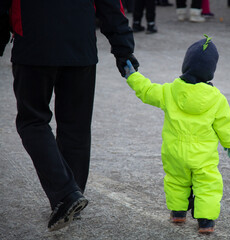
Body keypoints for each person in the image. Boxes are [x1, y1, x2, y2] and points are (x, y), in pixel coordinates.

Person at [0, 0, 139, 231]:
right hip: (79, 44)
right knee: (76, 126)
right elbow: (110, 4)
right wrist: (123, 48)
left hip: (34, 43)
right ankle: (72, 195)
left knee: (32, 121)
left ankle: (66, 194)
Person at [122, 35, 230, 234]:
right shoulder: (217, 99)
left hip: (174, 152)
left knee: (176, 180)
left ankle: (178, 213)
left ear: (186, 65)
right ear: (211, 71)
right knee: (207, 184)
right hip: (202, 156)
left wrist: (132, 76)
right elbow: (224, 124)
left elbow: (147, 90)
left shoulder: (169, 91)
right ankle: (206, 222)